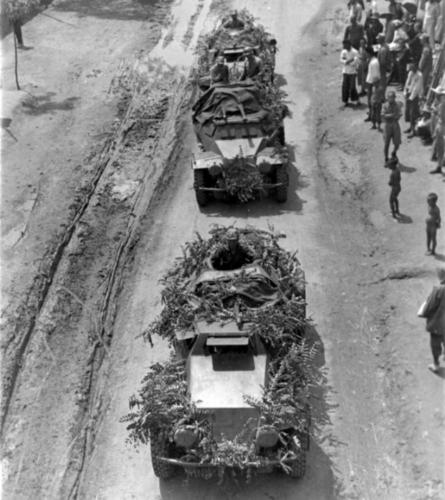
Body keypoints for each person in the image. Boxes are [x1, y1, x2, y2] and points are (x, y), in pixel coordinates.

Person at [420, 267, 445, 373]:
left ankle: (436, 364)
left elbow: (430, 306)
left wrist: (423, 314)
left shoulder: (438, 289)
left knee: (435, 344)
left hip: (438, 323)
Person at [382, 90, 403, 163]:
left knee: (397, 143)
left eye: (392, 97)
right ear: (387, 98)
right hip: (387, 126)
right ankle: (386, 158)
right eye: (389, 97)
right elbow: (383, 115)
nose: (391, 99)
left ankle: (394, 152)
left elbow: (399, 114)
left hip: (395, 125)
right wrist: (392, 115)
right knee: (386, 143)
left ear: (394, 98)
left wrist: (391, 116)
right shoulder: (385, 105)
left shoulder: (397, 105)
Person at [403, 62, 423, 137]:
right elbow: (407, 83)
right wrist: (405, 92)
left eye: (412, 68)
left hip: (415, 96)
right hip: (409, 94)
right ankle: (411, 127)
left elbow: (417, 88)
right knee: (408, 112)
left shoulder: (419, 75)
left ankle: (413, 130)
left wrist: (411, 97)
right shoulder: (410, 73)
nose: (411, 70)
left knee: (413, 113)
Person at [340, 39, 360, 106]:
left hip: (352, 72)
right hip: (345, 71)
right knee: (345, 87)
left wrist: (348, 62)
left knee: (352, 87)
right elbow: (342, 60)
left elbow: (355, 62)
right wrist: (348, 61)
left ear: (349, 44)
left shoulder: (355, 52)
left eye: (345, 45)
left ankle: (356, 100)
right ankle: (345, 101)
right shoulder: (344, 51)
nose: (344, 46)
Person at [431, 87, 445, 174]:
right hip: (440, 127)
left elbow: (442, 117)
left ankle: (440, 166)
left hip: (443, 127)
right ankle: (439, 166)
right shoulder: (440, 104)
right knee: (440, 149)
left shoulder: (443, 104)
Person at [364, 47, 381, 122]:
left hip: (372, 84)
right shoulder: (372, 61)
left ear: (368, 53)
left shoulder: (374, 63)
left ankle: (372, 116)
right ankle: (371, 114)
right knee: (370, 101)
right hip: (370, 83)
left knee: (371, 101)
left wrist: (374, 87)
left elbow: (375, 76)